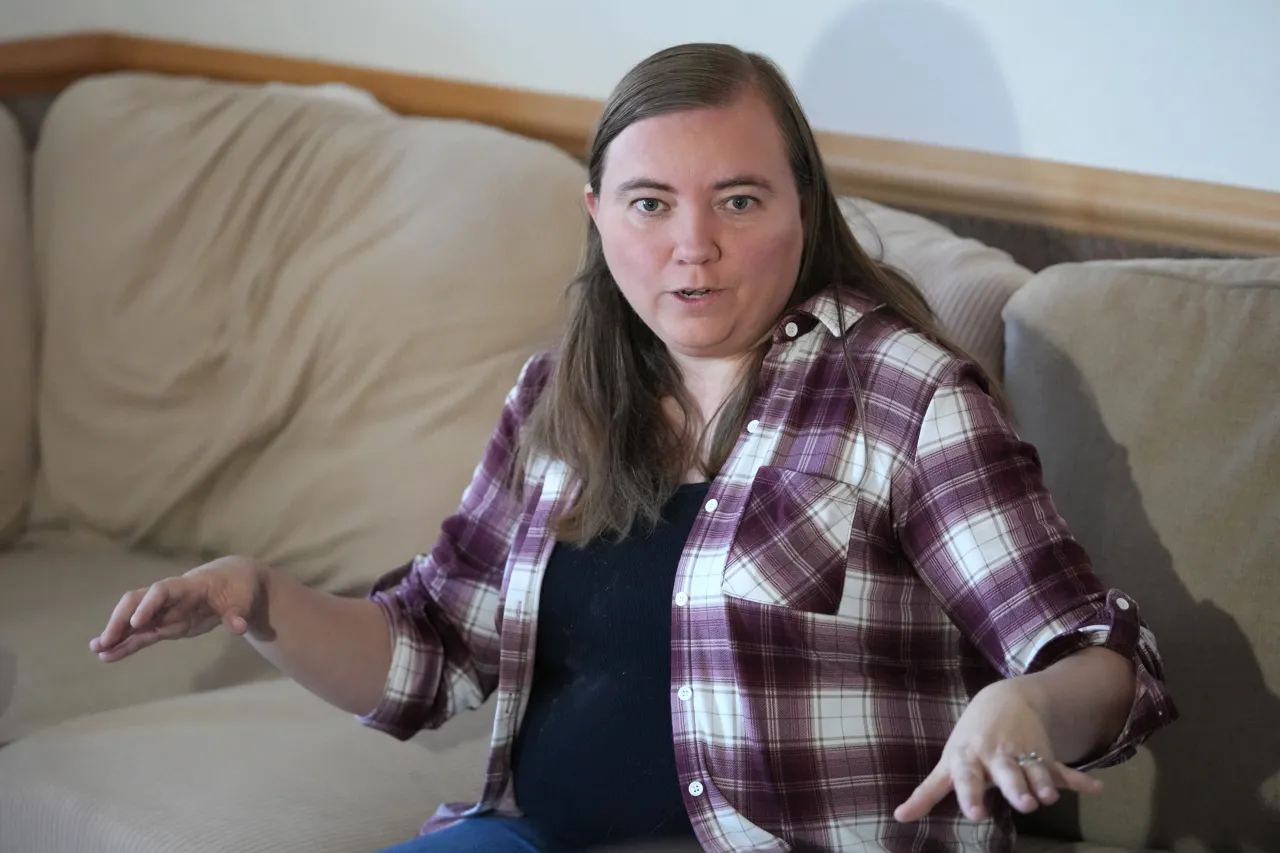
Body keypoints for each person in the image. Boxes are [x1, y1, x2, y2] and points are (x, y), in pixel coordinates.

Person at [90, 43, 1177, 853]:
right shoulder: (561, 396)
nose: (690, 247)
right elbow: (431, 648)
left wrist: (1025, 703)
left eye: (737, 200)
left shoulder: (905, 395)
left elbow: (1097, 656)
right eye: (649, 203)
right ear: (598, 215)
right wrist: (257, 599)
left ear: (803, 206)